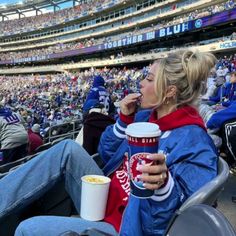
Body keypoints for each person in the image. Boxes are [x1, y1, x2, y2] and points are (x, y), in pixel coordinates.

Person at [0, 49, 218, 236]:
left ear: (170, 91)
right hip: (106, 199)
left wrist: (163, 185)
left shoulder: (196, 143)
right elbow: (105, 153)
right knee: (67, 149)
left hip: (125, 227)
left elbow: (173, 223)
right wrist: (123, 119)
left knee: (28, 229)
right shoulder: (143, 117)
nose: (141, 83)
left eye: (150, 79)